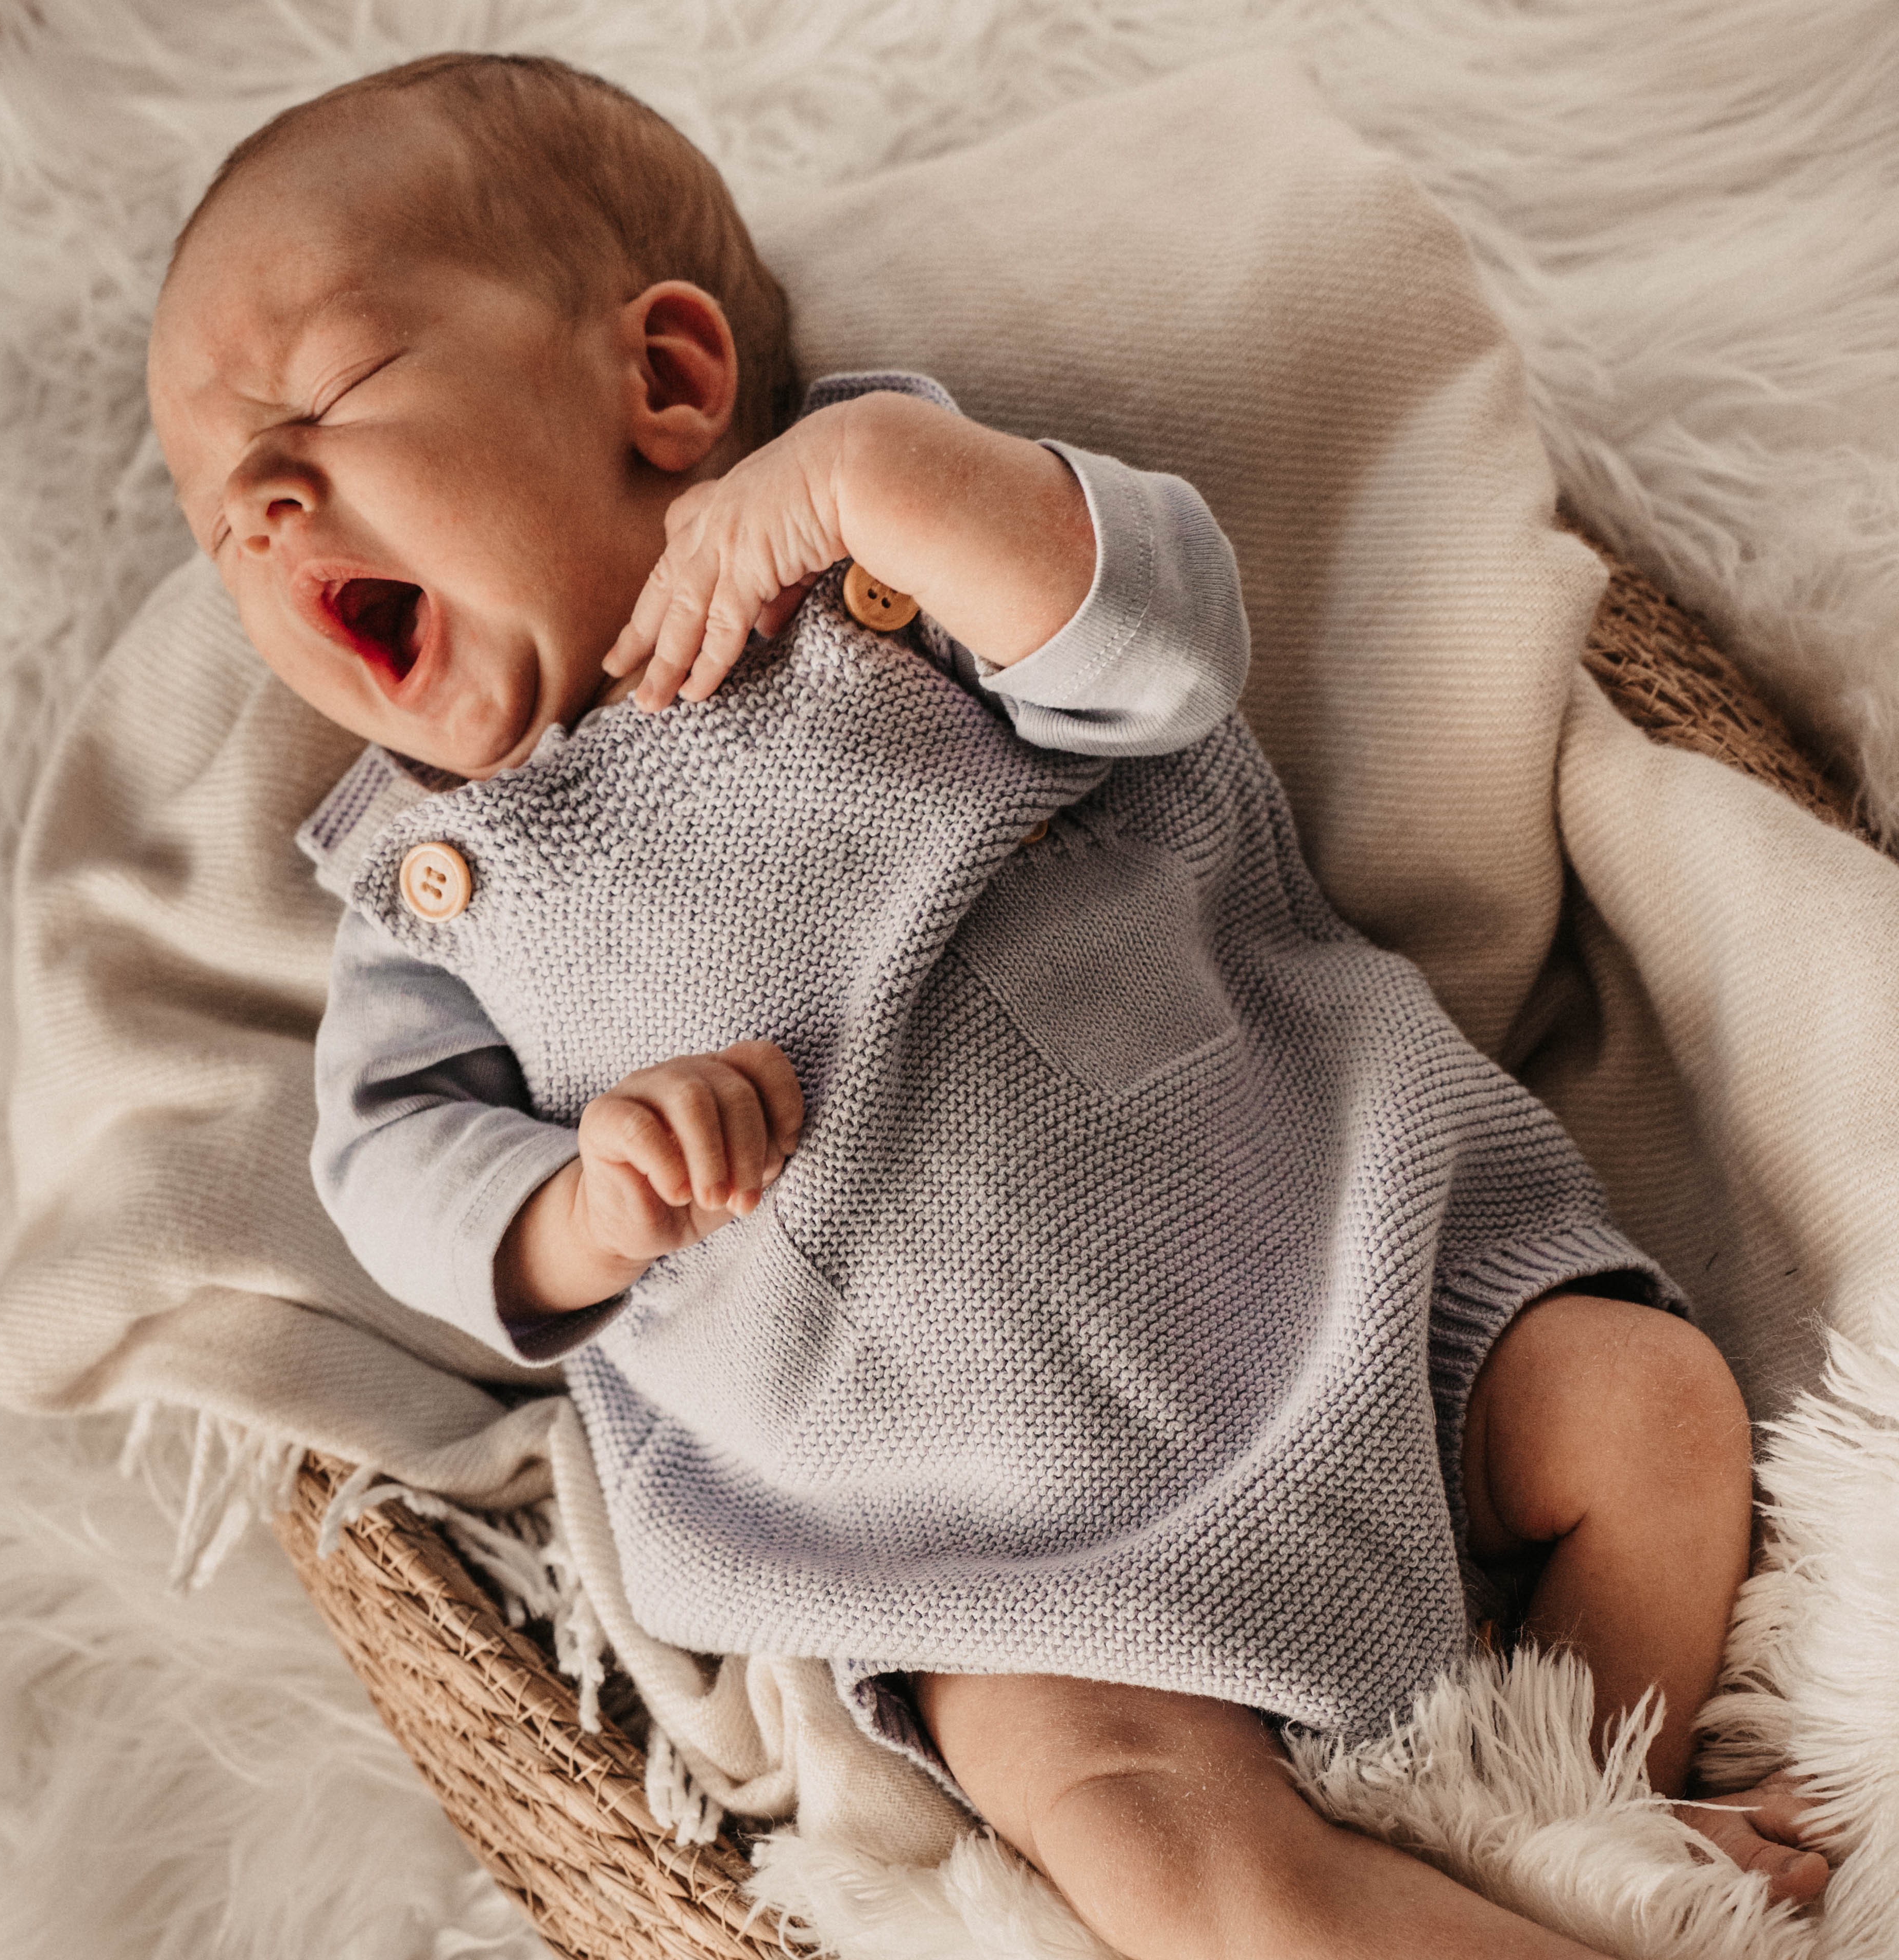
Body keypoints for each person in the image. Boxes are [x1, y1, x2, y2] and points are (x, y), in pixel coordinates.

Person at [146, 50, 1830, 1953]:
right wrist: (585, 1203)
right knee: (1170, 1863)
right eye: (224, 512)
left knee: (1651, 1416)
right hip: (980, 1551)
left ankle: (1579, 1809)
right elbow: (395, 1173)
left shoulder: (898, 557)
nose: (270, 508)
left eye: (327, 397)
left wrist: (873, 479)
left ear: (670, 381)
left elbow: (1171, 639)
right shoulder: (429, 894)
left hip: (1362, 1282)